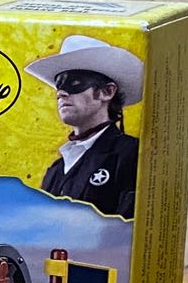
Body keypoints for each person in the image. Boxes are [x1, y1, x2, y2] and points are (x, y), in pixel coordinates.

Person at [24, 35, 143, 220]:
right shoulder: (55, 171)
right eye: (59, 85)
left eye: (74, 83)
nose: (61, 93)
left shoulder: (131, 154)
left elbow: (127, 228)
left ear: (107, 92)